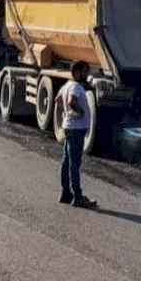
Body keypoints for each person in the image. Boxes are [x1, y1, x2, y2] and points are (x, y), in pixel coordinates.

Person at [57, 61, 98, 209]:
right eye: (85, 72)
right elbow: (71, 101)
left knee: (66, 161)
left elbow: (58, 100)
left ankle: (65, 193)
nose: (87, 75)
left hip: (69, 127)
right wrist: (79, 112)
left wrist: (66, 115)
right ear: (77, 72)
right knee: (74, 163)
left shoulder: (67, 85)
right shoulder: (76, 87)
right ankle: (78, 197)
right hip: (76, 129)